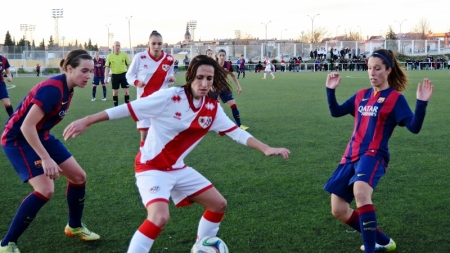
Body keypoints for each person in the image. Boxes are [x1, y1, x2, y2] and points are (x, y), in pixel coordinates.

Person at [62, 54, 290, 253]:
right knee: (160, 217)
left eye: (209, 78)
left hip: (178, 168)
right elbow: (128, 109)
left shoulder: (212, 107)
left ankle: (203, 245)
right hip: (151, 168)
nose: (204, 83)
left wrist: (266, 148)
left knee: (218, 205)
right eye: (199, 77)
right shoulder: (170, 97)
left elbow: (235, 132)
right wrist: (88, 120)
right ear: (190, 76)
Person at [324, 49, 433, 253]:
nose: (372, 73)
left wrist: (421, 103)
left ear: (388, 70)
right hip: (350, 155)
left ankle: (370, 249)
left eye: (377, 69)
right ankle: (383, 241)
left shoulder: (395, 99)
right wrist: (330, 90)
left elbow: (413, 127)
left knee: (361, 192)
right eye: (369, 69)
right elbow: (336, 111)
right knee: (338, 209)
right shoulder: (361, 95)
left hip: (374, 155)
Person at [0, 49, 100, 253]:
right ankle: (6, 244)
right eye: (84, 71)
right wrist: (45, 158)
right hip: (18, 139)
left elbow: (38, 126)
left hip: (41, 135)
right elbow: (26, 127)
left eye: (91, 71)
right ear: (69, 68)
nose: (88, 76)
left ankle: (74, 226)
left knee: (79, 177)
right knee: (45, 189)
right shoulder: (53, 88)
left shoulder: (68, 87)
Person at [126, 30, 176, 146]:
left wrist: (171, 78)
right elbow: (129, 75)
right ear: (148, 44)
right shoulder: (140, 57)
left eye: (159, 43)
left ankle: (160, 162)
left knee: (163, 134)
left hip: (162, 102)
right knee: (144, 135)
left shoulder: (169, 59)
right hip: (144, 102)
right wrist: (137, 82)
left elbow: (170, 74)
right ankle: (143, 161)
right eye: (153, 43)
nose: (156, 46)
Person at [208, 49, 248, 130]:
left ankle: (240, 125)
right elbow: (208, 76)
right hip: (214, 88)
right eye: (220, 55)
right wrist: (210, 86)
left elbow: (233, 76)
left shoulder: (228, 65)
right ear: (217, 56)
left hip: (224, 87)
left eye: (223, 55)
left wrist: (239, 86)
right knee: (212, 107)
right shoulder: (213, 65)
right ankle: (207, 125)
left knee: (233, 105)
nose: (222, 57)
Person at [105, 41, 131, 106]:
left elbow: (128, 65)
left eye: (119, 45)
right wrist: (106, 78)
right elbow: (107, 67)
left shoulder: (124, 55)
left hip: (123, 75)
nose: (118, 47)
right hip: (114, 76)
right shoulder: (109, 56)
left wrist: (129, 74)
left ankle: (127, 107)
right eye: (116, 45)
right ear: (113, 46)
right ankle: (116, 107)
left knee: (126, 92)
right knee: (115, 92)